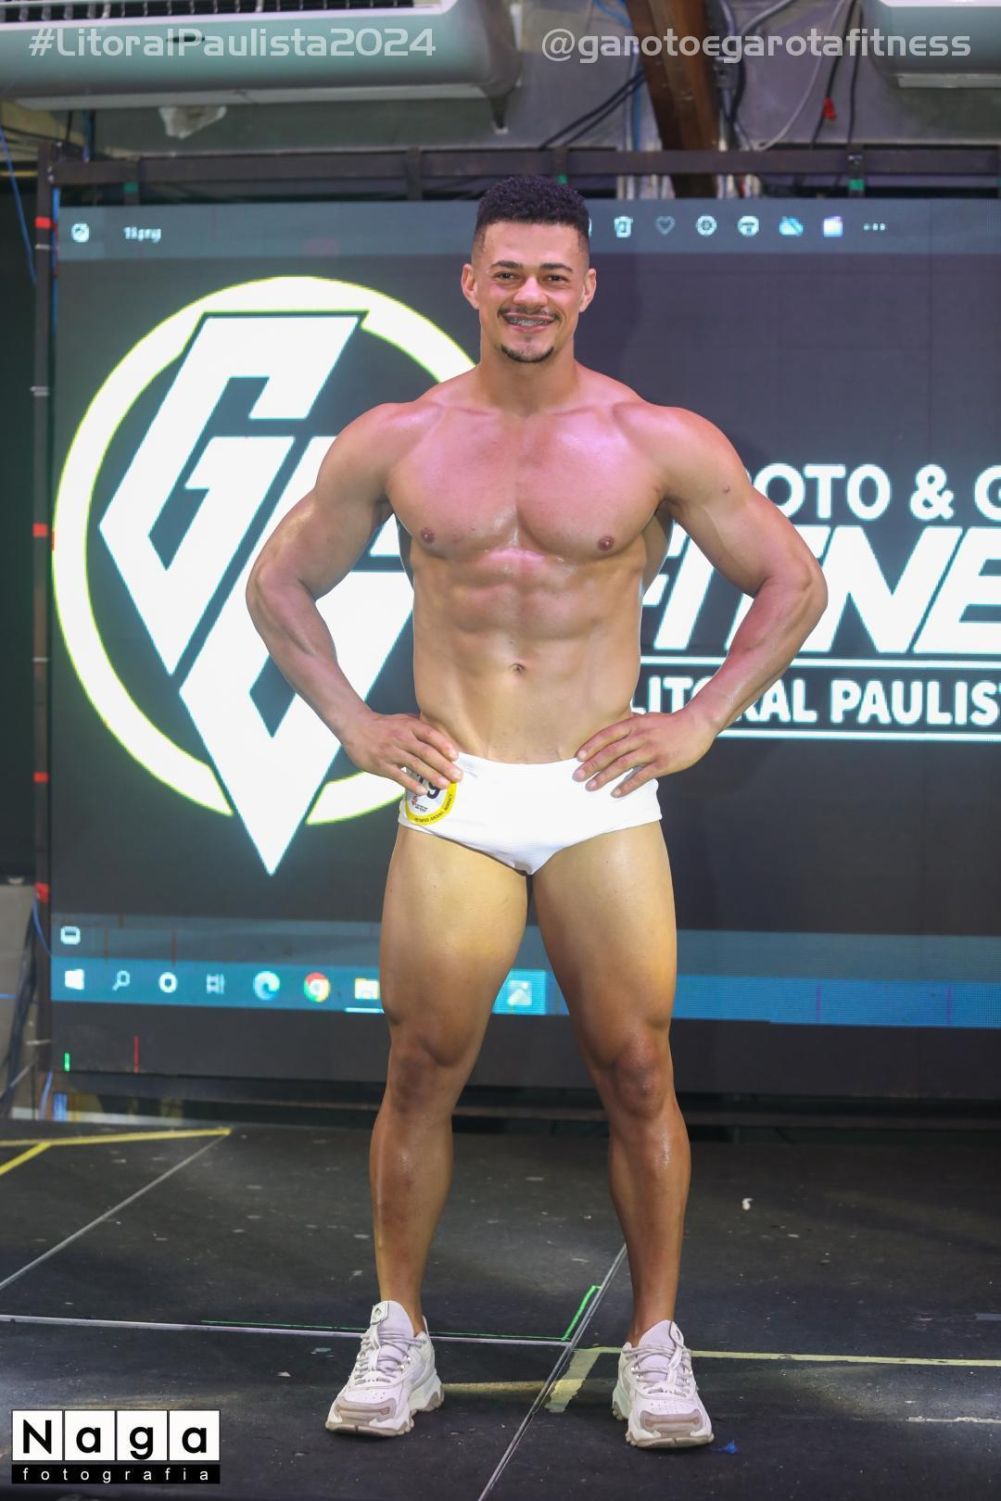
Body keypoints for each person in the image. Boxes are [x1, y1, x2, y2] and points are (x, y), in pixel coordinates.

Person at [246, 175, 828, 1450]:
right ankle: (399, 1333)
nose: (527, 296)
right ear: (470, 282)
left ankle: (653, 1345)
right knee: (419, 1065)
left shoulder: (652, 438)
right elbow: (278, 582)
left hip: (592, 790)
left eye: (551, 275)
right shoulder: (397, 437)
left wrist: (699, 719)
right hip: (458, 787)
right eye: (506, 273)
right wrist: (354, 724)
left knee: (637, 1068)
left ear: (586, 289)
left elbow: (790, 580)